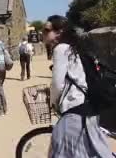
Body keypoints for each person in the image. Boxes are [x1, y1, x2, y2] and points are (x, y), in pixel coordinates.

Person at [45, 15, 112, 157]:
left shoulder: (61, 49)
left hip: (75, 109)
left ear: (59, 32)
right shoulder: (75, 48)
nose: (42, 33)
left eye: (46, 30)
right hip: (87, 106)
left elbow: (57, 84)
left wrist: (52, 102)